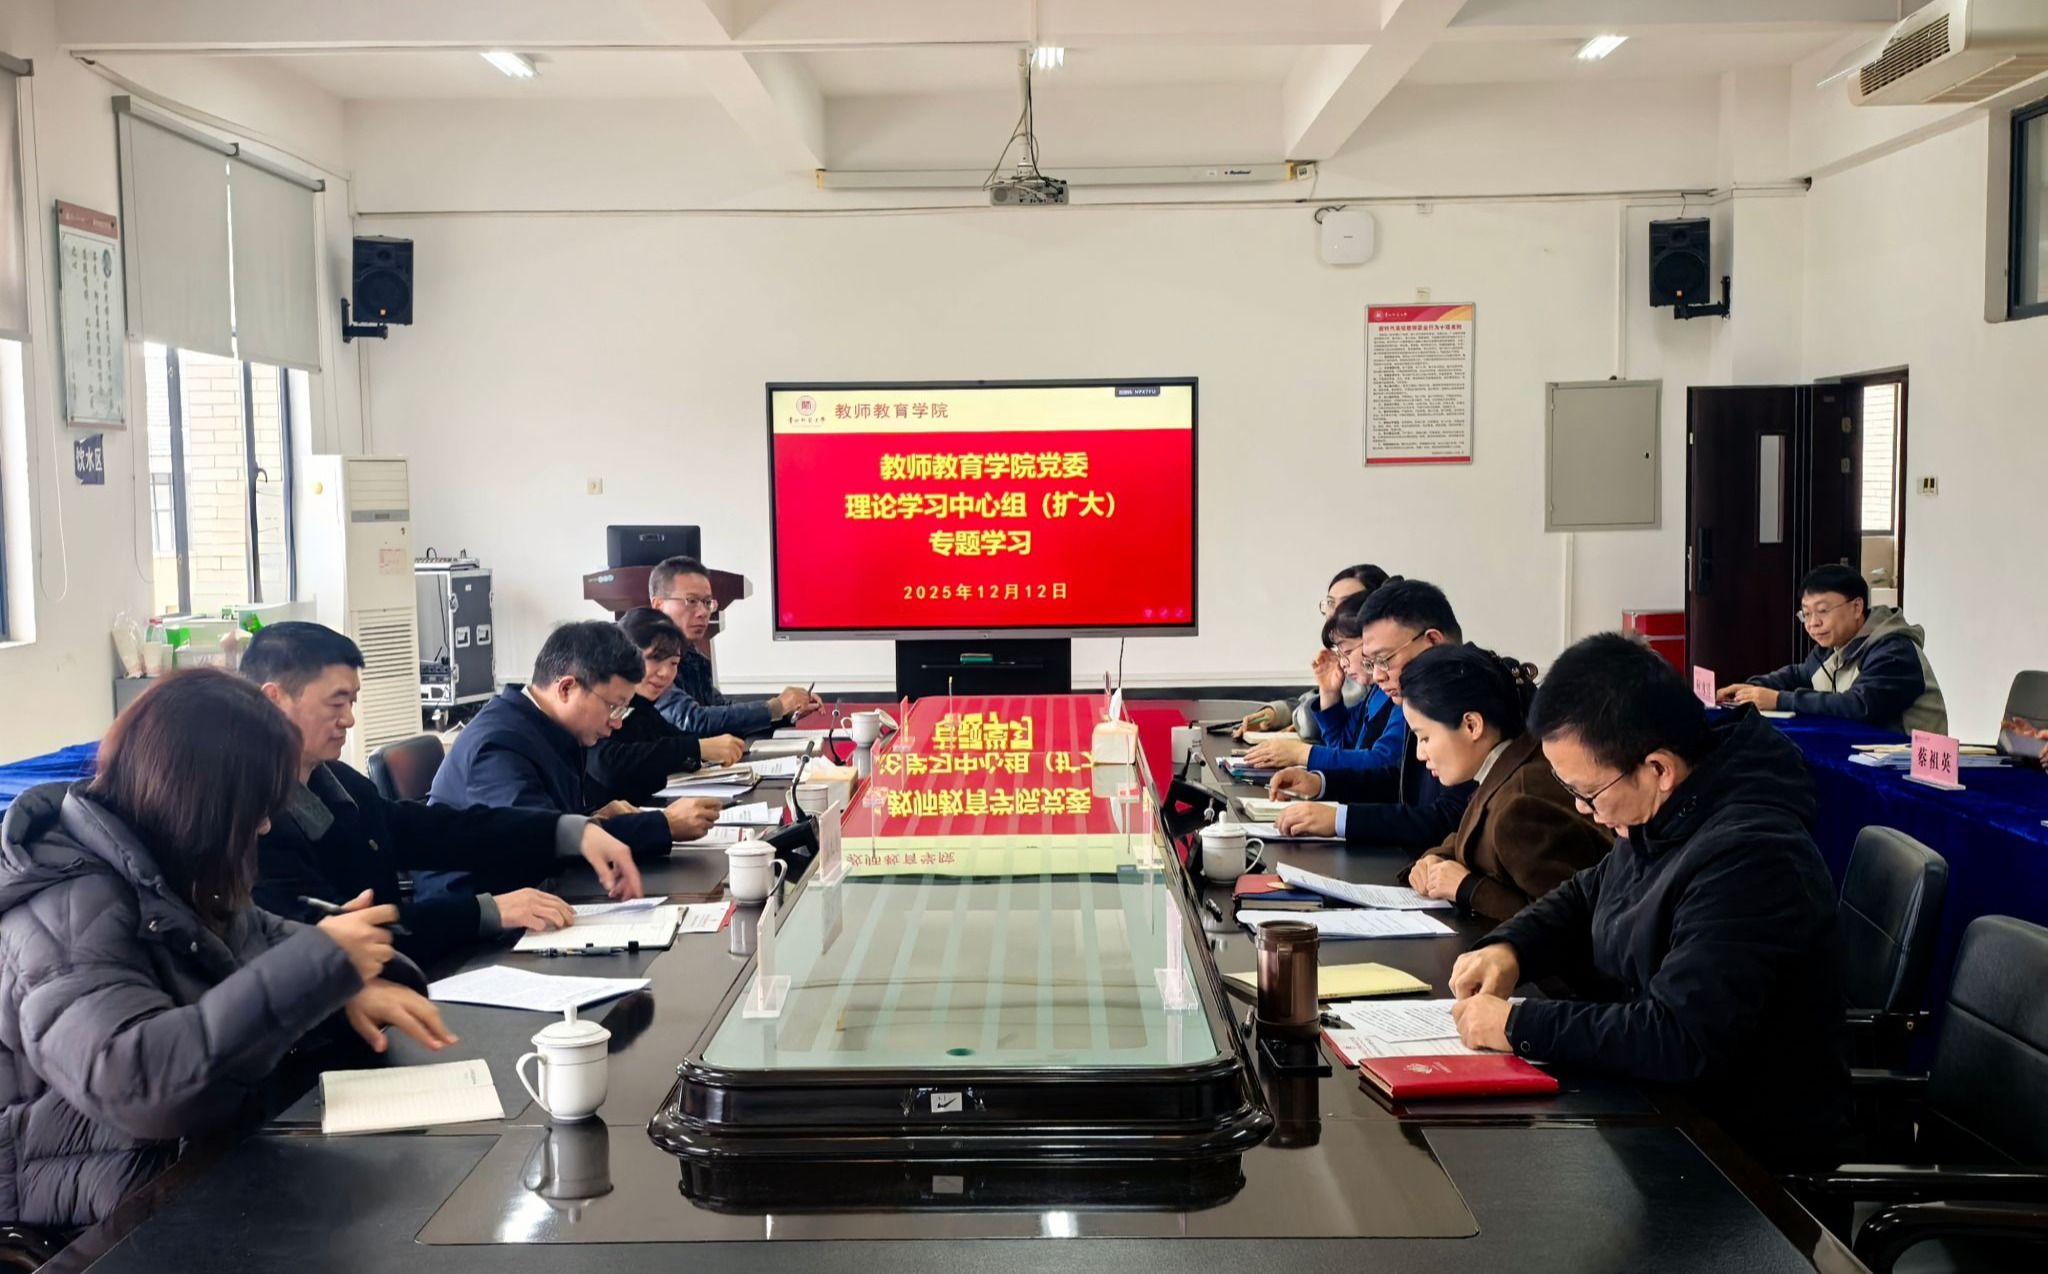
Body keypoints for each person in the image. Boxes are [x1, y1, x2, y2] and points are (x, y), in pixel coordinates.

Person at [0, 671, 456, 1229]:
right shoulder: (61, 909)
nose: (263, 827)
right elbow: (139, 1084)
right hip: (97, 1204)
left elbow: (271, 944)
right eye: (256, 808)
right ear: (200, 802)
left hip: (204, 1158)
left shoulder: (179, 871)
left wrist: (349, 982)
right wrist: (322, 967)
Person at [1449, 633, 1847, 1169]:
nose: (1583, 810)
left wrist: (1518, 1026)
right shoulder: (1671, 811)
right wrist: (1511, 949)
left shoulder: (1753, 857)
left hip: (1735, 1155)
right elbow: (1588, 892)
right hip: (1654, 1108)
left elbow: (1680, 1038)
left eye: (1587, 793)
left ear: (1658, 769)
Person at [241, 622, 648, 968]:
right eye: (336, 702)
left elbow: (442, 830)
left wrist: (570, 830)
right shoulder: (252, 821)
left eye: (353, 701)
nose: (349, 719)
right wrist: (491, 910)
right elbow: (341, 938)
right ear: (274, 700)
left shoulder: (338, 780)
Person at [429, 622, 718, 897]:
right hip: (482, 909)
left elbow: (553, 823)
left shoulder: (547, 727)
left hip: (540, 890)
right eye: (613, 707)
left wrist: (592, 819)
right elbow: (539, 840)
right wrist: (664, 824)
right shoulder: (499, 744)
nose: (617, 723)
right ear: (566, 688)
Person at [1395, 644, 1609, 920]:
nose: (1419, 753)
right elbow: (1472, 839)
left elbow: (1565, 920)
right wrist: (1436, 860)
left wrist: (1467, 888)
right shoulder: (1510, 765)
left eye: (1424, 737)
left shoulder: (1523, 802)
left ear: (1472, 725)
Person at [1269, 579, 1475, 849]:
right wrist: (1321, 783)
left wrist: (1340, 820)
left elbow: (1450, 817)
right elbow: (1400, 780)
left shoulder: (1474, 696)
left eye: (1384, 659)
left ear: (1433, 641)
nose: (1377, 675)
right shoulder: (1424, 695)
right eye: (1371, 662)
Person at [1719, 563, 1947, 734]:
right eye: (1806, 614)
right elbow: (1800, 675)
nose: (1813, 623)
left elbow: (1861, 706)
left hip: (1908, 769)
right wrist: (1752, 688)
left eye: (1822, 611)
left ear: (1856, 607)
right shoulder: (1833, 644)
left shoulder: (1895, 650)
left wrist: (1779, 700)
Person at [587, 608, 747, 808]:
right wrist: (698, 748)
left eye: (673, 663)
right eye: (655, 658)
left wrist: (708, 749)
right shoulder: (600, 706)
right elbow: (607, 765)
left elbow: (673, 741)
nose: (665, 673)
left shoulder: (643, 706)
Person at [648, 556, 820, 736]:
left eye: (707, 602)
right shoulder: (645, 659)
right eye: (691, 601)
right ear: (659, 606)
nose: (703, 612)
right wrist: (777, 706)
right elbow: (694, 720)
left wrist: (786, 713)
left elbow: (721, 711)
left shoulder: (693, 657)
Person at [1247, 592, 1406, 778]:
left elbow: (1384, 764)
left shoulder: (1401, 695)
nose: (1343, 663)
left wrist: (1303, 754)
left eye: (1347, 651)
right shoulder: (1376, 694)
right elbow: (1341, 746)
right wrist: (1329, 694)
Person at [1238, 564, 1390, 745]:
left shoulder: (1377, 682)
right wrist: (1277, 713)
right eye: (1331, 603)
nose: (1335, 613)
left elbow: (1311, 724)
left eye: (1348, 603)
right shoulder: (1349, 663)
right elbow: (1317, 699)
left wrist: (1303, 744)